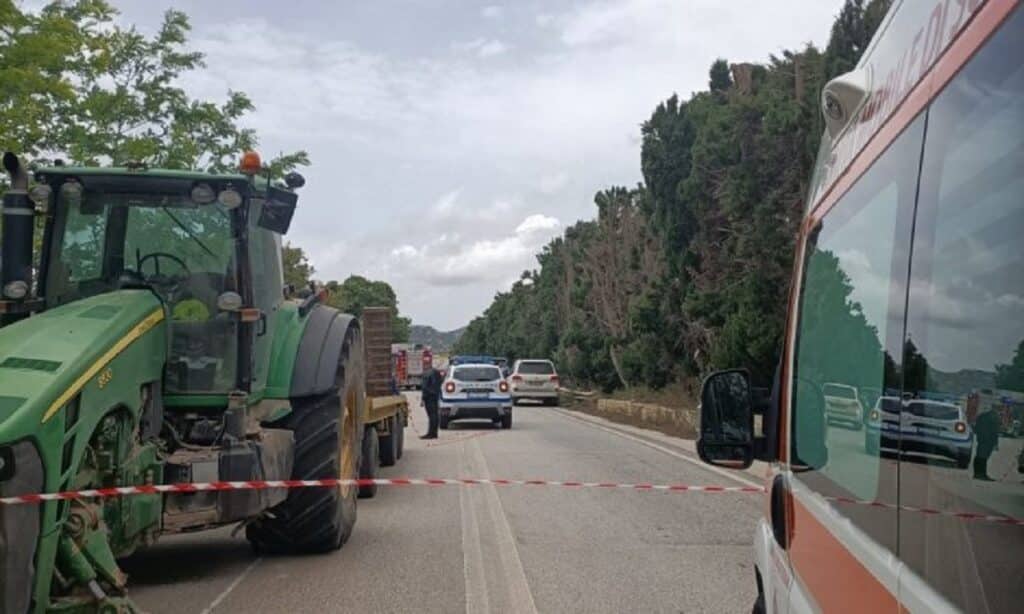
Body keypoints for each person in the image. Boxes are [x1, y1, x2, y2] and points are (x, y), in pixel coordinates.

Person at [973, 406, 1000, 481]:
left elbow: (976, 428)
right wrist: (996, 443)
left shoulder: (981, 416)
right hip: (988, 441)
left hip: (981, 439)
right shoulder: (994, 418)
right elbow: (995, 432)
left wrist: (979, 436)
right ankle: (982, 474)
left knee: (979, 456)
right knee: (983, 458)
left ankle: (977, 473)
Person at [420, 366, 443, 440]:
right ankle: (434, 433)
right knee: (435, 415)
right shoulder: (436, 373)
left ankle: (431, 433)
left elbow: (424, 387)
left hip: (429, 397)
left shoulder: (427, 374)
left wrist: (423, 398)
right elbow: (440, 383)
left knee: (431, 416)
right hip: (435, 396)